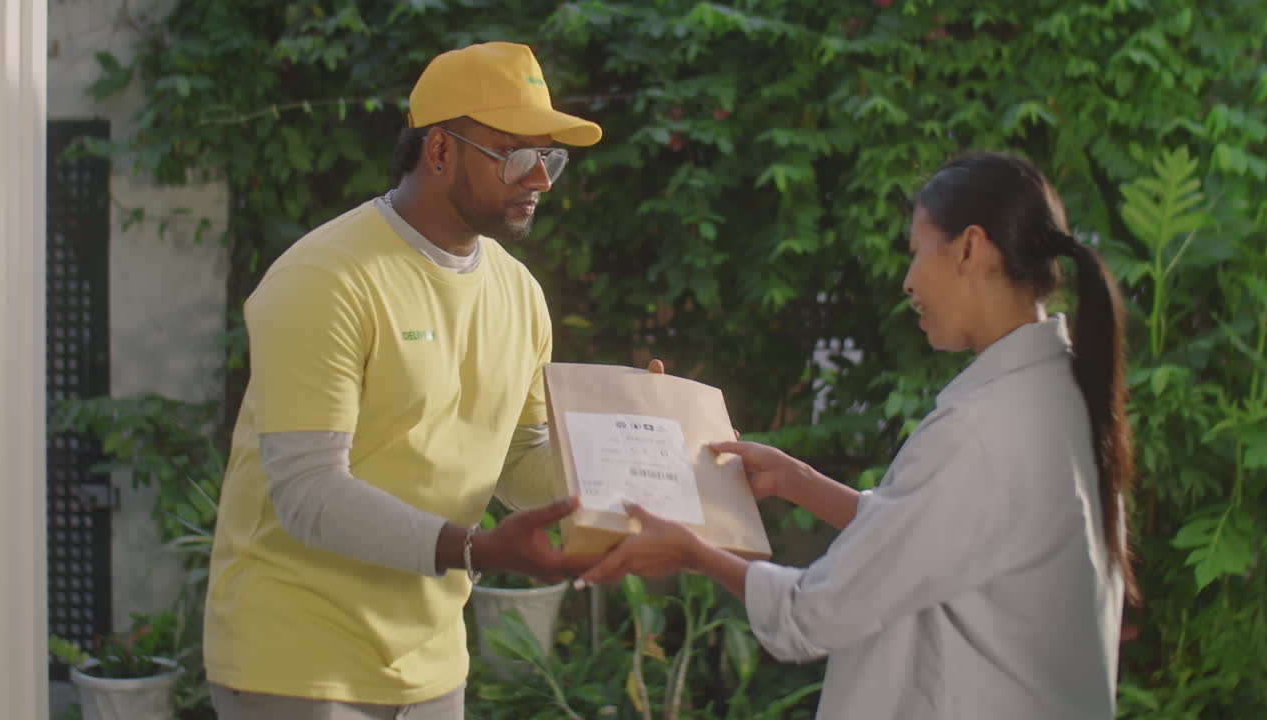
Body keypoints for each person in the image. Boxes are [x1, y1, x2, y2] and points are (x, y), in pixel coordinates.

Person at [580, 151, 1137, 719]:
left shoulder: (984, 429)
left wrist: (692, 552)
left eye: (917, 252)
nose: (907, 280)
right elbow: (934, 539)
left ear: (971, 248)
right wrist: (802, 483)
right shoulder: (1055, 395)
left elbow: (810, 614)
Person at [205, 42, 618, 720]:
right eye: (516, 155)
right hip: (298, 659)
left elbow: (519, 462)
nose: (539, 180)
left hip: (432, 665)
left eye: (549, 159)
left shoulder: (519, 293)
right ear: (439, 151)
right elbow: (307, 492)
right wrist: (477, 548)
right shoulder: (326, 280)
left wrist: (631, 448)